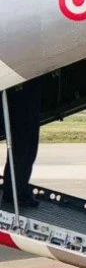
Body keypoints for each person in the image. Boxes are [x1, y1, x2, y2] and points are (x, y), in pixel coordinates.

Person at [0, 77, 44, 209]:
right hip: (21, 90)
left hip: (29, 88)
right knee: (22, 148)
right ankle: (14, 192)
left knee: (28, 148)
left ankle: (19, 188)